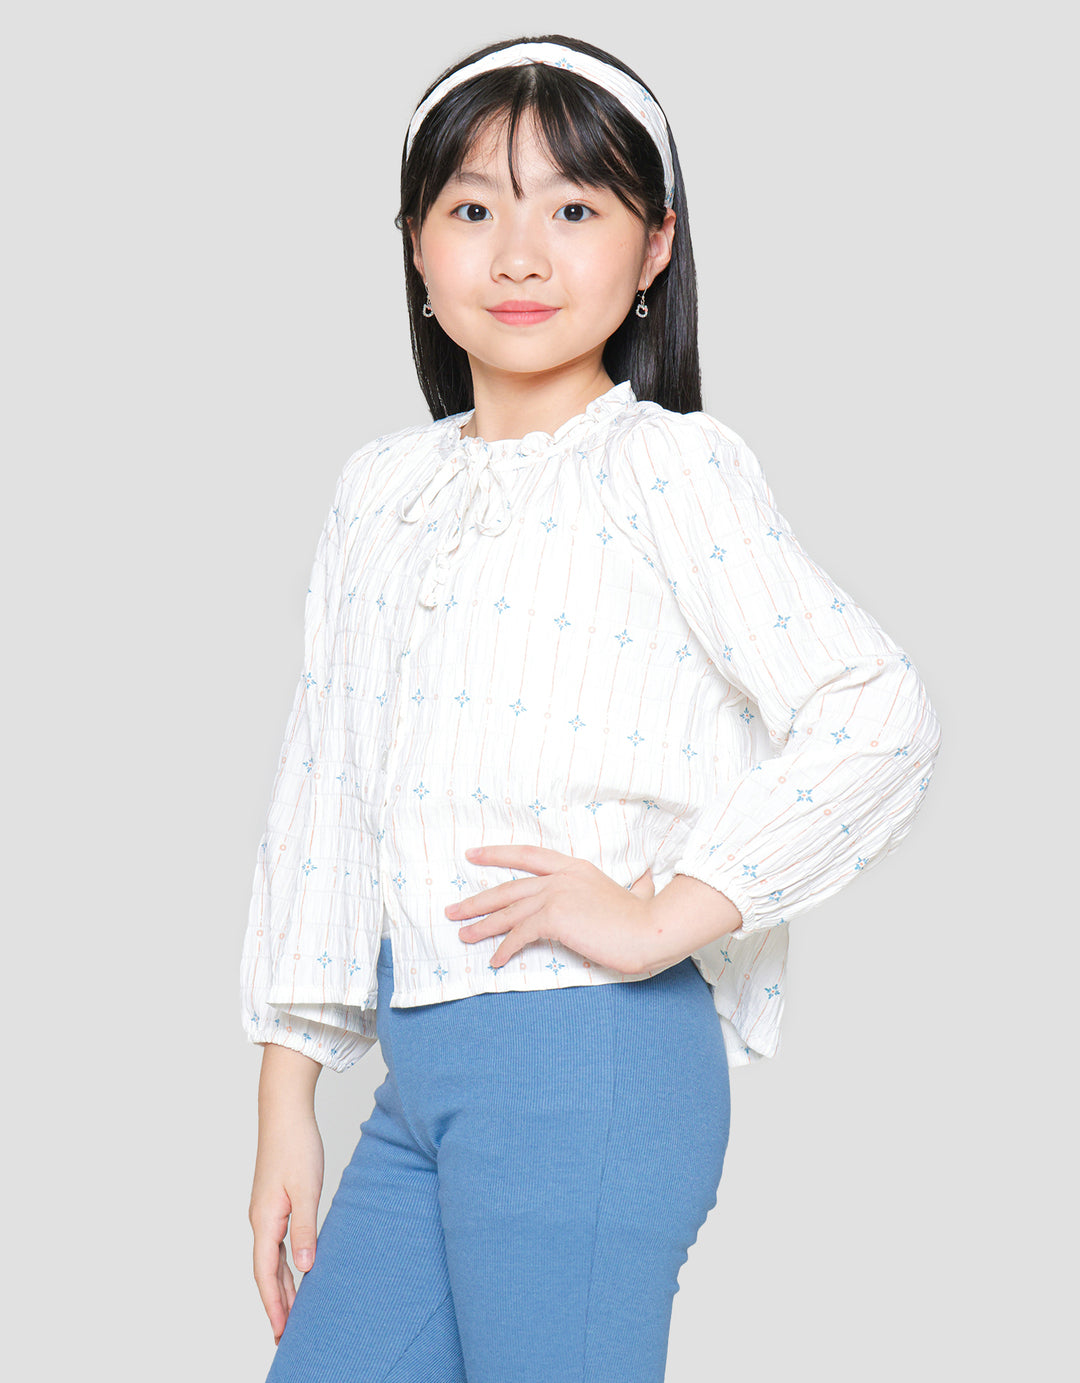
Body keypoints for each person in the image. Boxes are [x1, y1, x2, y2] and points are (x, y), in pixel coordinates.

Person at [241, 34, 942, 1383]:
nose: (519, 256)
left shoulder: (667, 469)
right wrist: (287, 1100)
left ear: (655, 245)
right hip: (420, 1076)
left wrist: (666, 913)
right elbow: (325, 787)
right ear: (415, 245)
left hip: (587, 1059)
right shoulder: (379, 491)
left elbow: (877, 711)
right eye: (472, 210)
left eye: (573, 210)